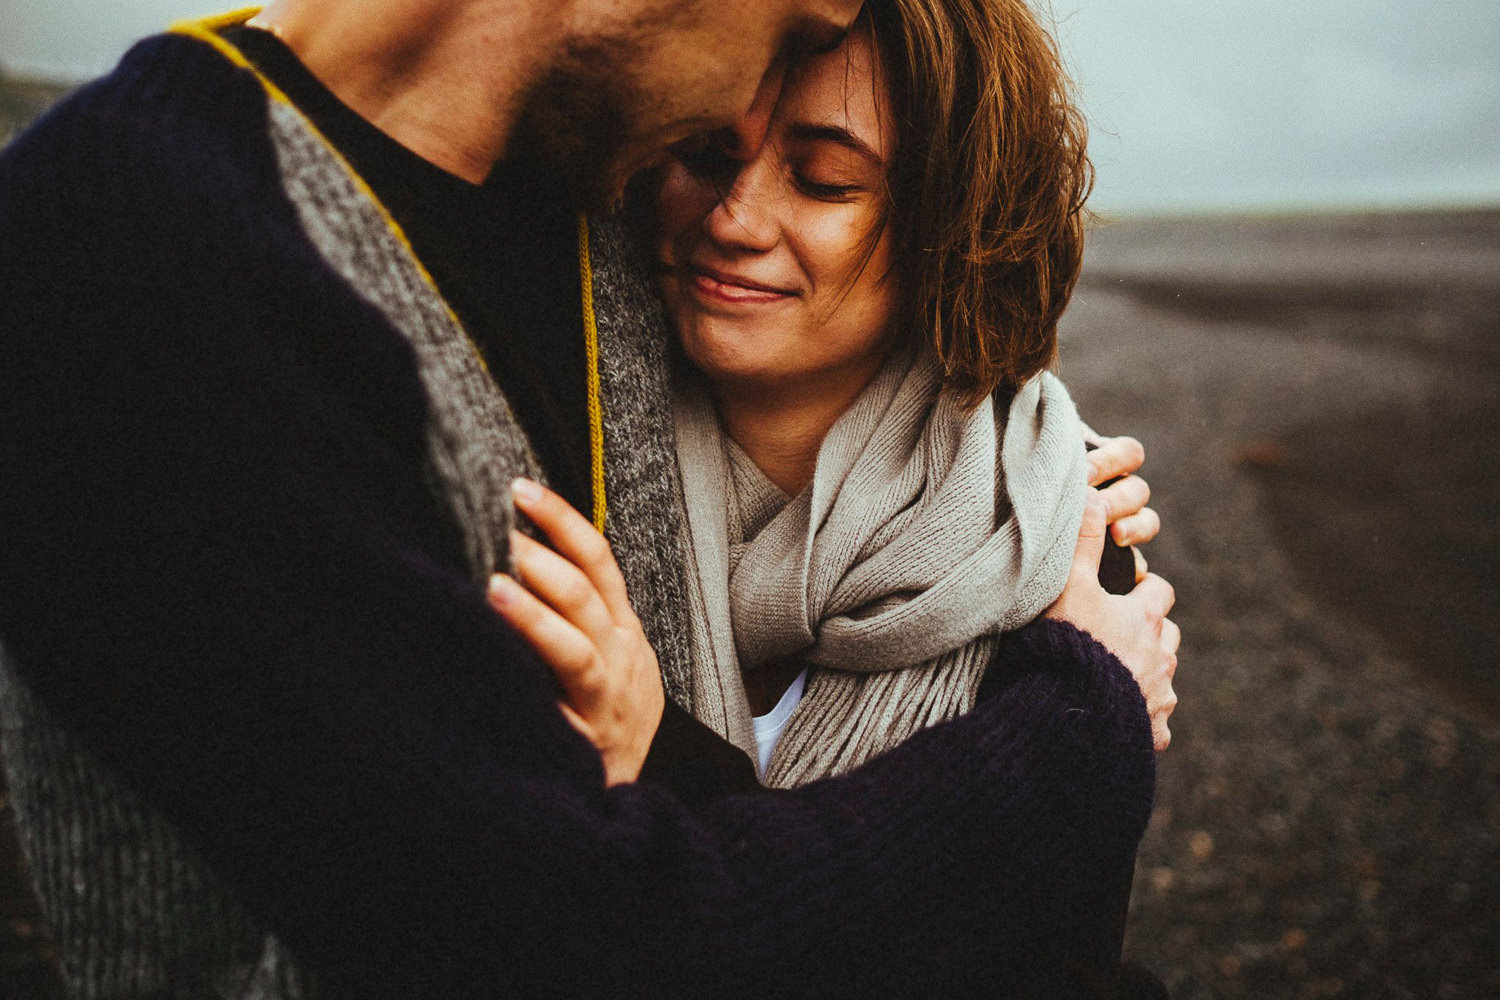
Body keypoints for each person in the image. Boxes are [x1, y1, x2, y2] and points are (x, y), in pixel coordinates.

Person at [0, 2, 1172, 999]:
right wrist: (1079, 733)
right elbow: (575, 939)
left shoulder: (574, 207)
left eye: (819, 175)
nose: (806, 36)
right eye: (800, 18)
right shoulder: (129, 255)